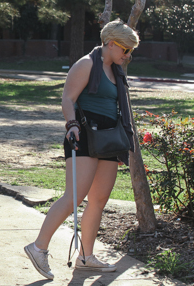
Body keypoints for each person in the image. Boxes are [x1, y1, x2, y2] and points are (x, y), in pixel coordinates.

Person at [24, 19, 137, 280]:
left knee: (98, 200)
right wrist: (71, 124)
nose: (128, 55)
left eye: (131, 50)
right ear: (111, 44)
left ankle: (86, 256)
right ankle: (38, 247)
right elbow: (68, 98)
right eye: (126, 49)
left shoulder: (115, 69)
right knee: (74, 196)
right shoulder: (87, 63)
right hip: (84, 134)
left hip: (109, 138)